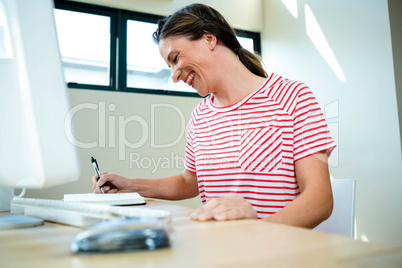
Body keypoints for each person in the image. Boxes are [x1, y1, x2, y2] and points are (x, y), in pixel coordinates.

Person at [92, 3, 336, 228]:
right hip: (216, 249)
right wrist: (130, 185)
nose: (175, 75)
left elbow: (319, 200)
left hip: (275, 253)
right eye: (170, 67)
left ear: (209, 39)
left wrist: (257, 230)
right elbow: (191, 182)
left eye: (175, 58)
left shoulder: (293, 97)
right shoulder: (201, 115)